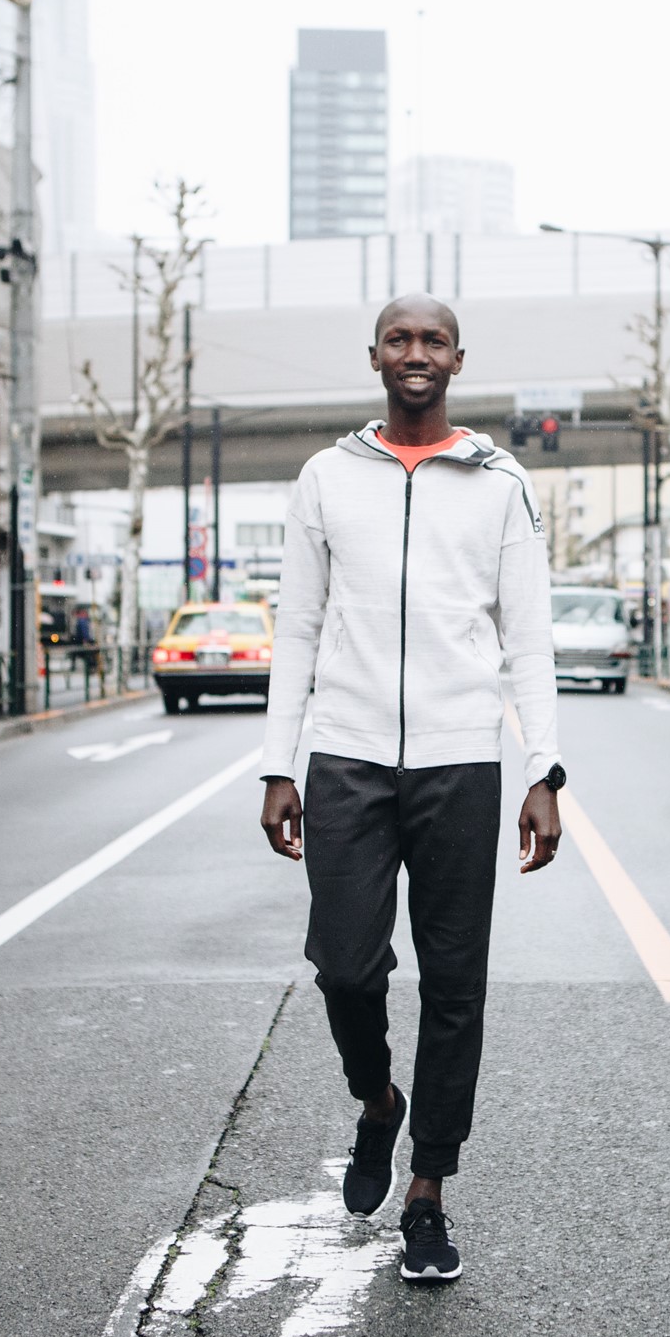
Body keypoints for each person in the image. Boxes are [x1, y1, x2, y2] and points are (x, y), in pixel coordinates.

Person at [256, 293, 564, 1284]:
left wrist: (542, 771)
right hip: (345, 755)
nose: (416, 353)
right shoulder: (325, 479)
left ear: (458, 359)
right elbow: (297, 628)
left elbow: (530, 641)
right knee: (346, 967)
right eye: (401, 339)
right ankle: (376, 1101)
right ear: (376, 356)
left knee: (454, 984)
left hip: (460, 758)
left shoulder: (500, 483)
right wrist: (277, 762)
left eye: (433, 340)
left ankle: (429, 1189)